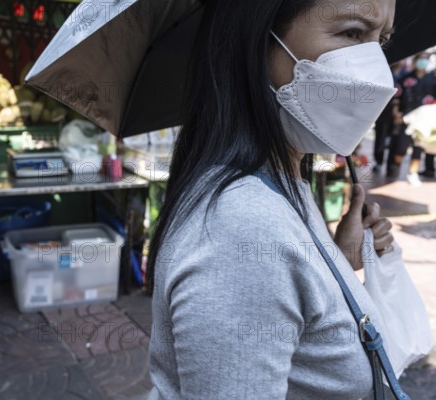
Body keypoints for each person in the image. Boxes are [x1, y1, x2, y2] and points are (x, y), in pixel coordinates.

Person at [147, 1, 398, 399]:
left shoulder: (282, 181)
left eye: (380, 40)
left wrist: (337, 262)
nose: (374, 67)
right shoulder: (239, 227)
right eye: (352, 33)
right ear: (259, 44)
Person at [389, 52, 436, 185]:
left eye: (425, 60)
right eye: (420, 59)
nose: (422, 62)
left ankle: (412, 173)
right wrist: (396, 112)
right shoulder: (405, 78)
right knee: (401, 147)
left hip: (424, 120)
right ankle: (396, 167)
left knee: (418, 148)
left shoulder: (432, 79)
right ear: (415, 61)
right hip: (407, 117)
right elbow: (397, 98)